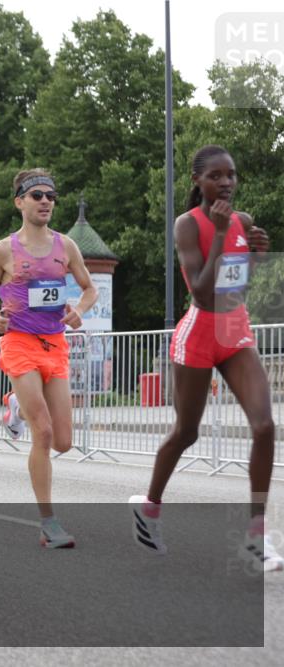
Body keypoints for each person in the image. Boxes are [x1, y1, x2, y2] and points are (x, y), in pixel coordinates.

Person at [130, 145, 283, 571]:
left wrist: (253, 253)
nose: (227, 183)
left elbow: (236, 285)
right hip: (199, 333)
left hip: (235, 329)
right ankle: (150, 505)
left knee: (265, 425)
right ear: (197, 181)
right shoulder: (187, 225)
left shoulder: (244, 221)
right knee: (187, 432)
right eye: (216, 176)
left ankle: (256, 535)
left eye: (231, 175)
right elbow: (200, 290)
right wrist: (217, 234)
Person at [0, 169, 98, 548]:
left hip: (55, 345)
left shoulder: (67, 248)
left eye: (51, 196)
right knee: (42, 433)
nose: (46, 201)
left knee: (63, 442)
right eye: (37, 195)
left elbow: (90, 288)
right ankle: (49, 523)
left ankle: (14, 404)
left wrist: (79, 309)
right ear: (20, 202)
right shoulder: (3, 250)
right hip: (19, 343)